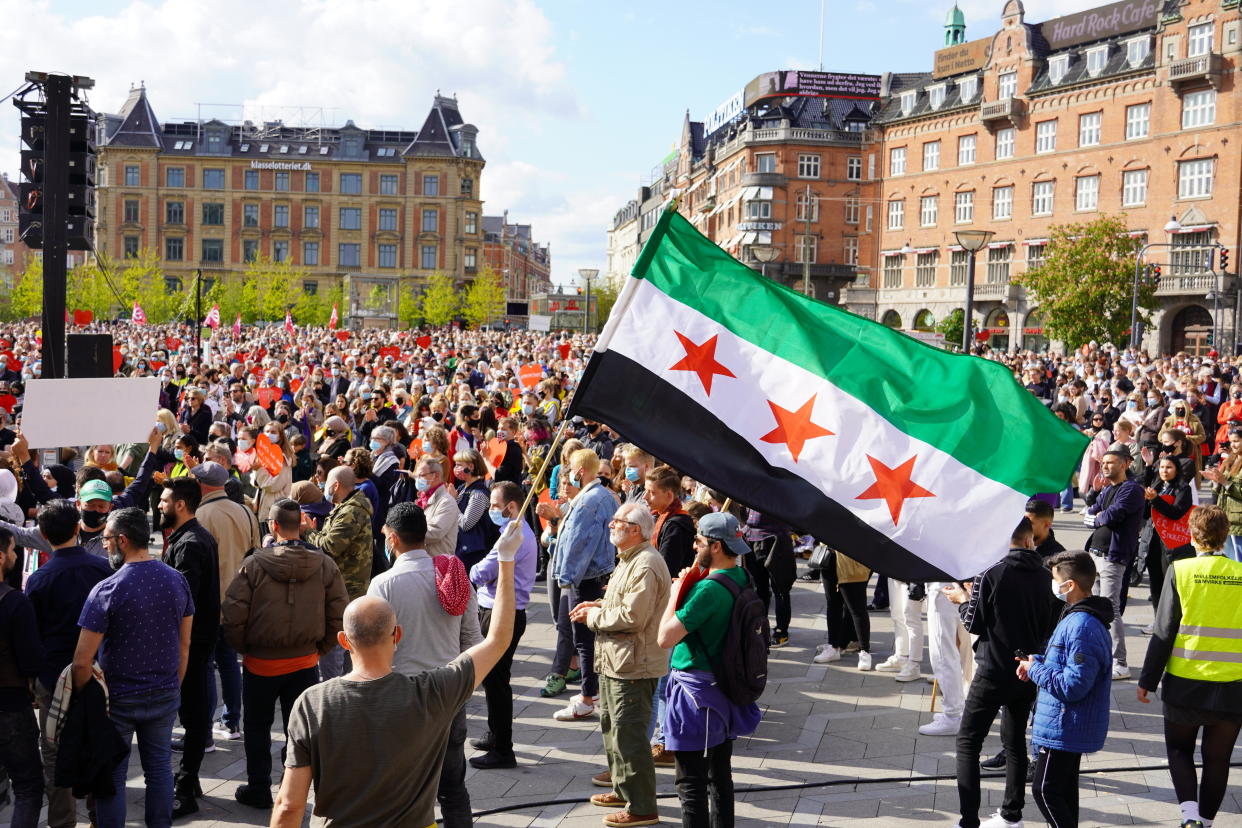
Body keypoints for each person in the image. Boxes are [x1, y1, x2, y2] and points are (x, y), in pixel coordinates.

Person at [271, 524, 523, 828]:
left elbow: (288, 805)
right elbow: (498, 639)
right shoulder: (433, 693)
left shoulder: (312, 703)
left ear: (343, 641)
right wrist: (505, 559)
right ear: (396, 636)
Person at [71, 507, 194, 828]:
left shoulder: (107, 589)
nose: (105, 544)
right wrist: (173, 686)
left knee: (113, 776)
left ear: (123, 540)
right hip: (164, 692)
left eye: (108, 539)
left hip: (117, 700)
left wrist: (87, 700)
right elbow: (184, 646)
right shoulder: (177, 581)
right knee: (159, 772)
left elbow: (82, 661)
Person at [221, 498, 347, 810]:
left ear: (273, 526)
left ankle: (259, 787)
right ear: (301, 525)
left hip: (261, 662)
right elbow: (339, 613)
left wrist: (244, 647)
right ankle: (296, 789)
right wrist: (320, 648)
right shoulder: (325, 564)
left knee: (257, 727)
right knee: (300, 730)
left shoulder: (254, 564)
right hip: (304, 661)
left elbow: (233, 612)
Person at [367, 502, 482, 828]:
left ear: (392, 540)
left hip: (401, 698)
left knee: (404, 791)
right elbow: (473, 639)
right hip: (448, 692)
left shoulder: (384, 585)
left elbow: (373, 650)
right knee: (453, 788)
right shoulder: (453, 576)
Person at [944, 518, 1057, 828]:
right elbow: (1050, 624)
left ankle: (969, 820)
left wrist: (963, 599)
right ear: (1029, 539)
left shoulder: (990, 574)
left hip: (993, 669)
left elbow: (973, 624)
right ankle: (1012, 815)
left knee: (968, 742)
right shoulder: (1047, 575)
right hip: (1027, 669)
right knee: (1015, 742)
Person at [655, 511, 762, 828]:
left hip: (696, 697)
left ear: (716, 546)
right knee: (719, 777)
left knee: (690, 783)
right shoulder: (741, 578)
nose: (693, 546)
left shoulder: (708, 591)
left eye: (698, 541)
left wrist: (676, 592)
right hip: (725, 689)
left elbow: (665, 637)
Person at [1139, 505, 1242, 828]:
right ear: (1225, 536)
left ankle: (1189, 816)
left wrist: (1147, 680)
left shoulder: (1180, 571)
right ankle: (1207, 823)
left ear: (1193, 535)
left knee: (1180, 751)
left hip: (1185, 681)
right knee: (1218, 759)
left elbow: (1164, 631)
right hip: (1233, 685)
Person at [573, 502, 670, 827]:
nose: (612, 525)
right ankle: (623, 788)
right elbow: (623, 603)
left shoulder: (645, 564)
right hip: (616, 661)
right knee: (612, 729)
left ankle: (642, 807)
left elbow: (632, 616)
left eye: (619, 522)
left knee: (629, 735)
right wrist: (598, 604)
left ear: (636, 530)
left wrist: (594, 616)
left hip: (634, 664)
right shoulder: (631, 559)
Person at [23, 499, 112, 828]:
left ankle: (62, 822)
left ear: (43, 534)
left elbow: (33, 636)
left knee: (54, 752)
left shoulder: (39, 579)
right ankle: (98, 817)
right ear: (78, 528)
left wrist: (32, 681)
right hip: (96, 672)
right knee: (94, 743)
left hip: (52, 677)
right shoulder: (102, 569)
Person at [1017, 550, 1113, 828]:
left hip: (1065, 725)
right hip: (1065, 724)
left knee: (1045, 790)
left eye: (1054, 578)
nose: (1052, 585)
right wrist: (1037, 662)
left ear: (1069, 585)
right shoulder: (1076, 617)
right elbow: (1065, 665)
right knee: (1063, 790)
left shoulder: (1082, 625)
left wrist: (1035, 670)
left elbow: (1074, 686)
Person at [157, 478, 221, 819]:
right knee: (193, 715)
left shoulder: (191, 543)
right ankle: (190, 779)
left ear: (181, 504)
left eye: (165, 501)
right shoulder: (191, 538)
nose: (159, 505)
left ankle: (185, 786)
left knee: (194, 716)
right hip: (195, 641)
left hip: (191, 644)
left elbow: (182, 599)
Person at [468, 481, 539, 770]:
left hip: (501, 611)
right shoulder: (511, 531)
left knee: (497, 680)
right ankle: (495, 733)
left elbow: (481, 572)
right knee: (493, 678)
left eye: (495, 506)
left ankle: (502, 748)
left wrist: (473, 569)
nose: (491, 511)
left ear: (512, 506)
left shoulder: (513, 535)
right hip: (498, 608)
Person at [191, 461, 261, 744]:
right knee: (229, 661)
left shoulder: (201, 513)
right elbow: (255, 552)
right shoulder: (245, 510)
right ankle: (232, 721)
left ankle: (204, 730)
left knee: (207, 665)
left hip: (210, 599)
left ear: (202, 485)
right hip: (240, 598)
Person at [551, 448, 618, 720]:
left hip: (586, 578)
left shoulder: (591, 500)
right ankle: (591, 691)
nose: (567, 476)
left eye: (570, 471)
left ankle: (587, 696)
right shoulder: (601, 495)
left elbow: (579, 545)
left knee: (583, 640)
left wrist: (566, 580)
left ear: (579, 472)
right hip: (594, 575)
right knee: (589, 639)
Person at [1083, 450, 1145, 679]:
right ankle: (1102, 655)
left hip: (1113, 556)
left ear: (1125, 464)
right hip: (1095, 554)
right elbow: (1091, 512)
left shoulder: (1131, 489)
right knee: (1097, 608)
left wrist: (1097, 516)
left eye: (1111, 463)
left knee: (1111, 608)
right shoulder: (1107, 489)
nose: (1105, 467)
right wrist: (1096, 514)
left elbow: (1111, 516)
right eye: (1103, 463)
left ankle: (1121, 662)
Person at [0, 524, 44, 828]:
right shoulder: (15, 602)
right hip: (10, 705)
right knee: (28, 786)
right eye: (14, 549)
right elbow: (31, 660)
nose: (17, 555)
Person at [1204, 428, 1242, 562]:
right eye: (1231, 442)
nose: (1233, 445)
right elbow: (1218, 490)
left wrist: (1225, 483)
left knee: (1239, 562)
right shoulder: (1229, 461)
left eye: (1236, 441)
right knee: (1229, 563)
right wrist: (1215, 482)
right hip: (1225, 520)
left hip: (1239, 522)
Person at [453, 448, 495, 571]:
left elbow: (466, 524)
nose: (456, 468)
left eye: (459, 465)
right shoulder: (462, 488)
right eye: (455, 465)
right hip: (462, 547)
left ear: (471, 467)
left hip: (473, 550)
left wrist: (453, 502)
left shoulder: (478, 493)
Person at [413, 455, 460, 559]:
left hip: (438, 565)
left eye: (421, 475)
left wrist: (403, 533)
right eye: (416, 476)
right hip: (423, 561)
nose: (417, 480)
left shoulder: (446, 502)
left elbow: (434, 532)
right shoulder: (422, 499)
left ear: (436, 476)